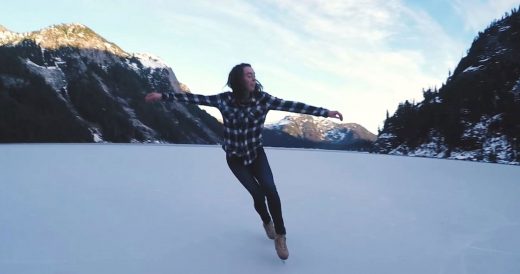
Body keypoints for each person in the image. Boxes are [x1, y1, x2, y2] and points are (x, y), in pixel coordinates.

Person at [145, 63, 343, 260]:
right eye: (249, 75)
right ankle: (267, 222)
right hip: (235, 158)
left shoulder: (263, 100)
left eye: (254, 75)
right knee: (257, 194)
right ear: (238, 79)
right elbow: (195, 98)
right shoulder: (224, 100)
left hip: (256, 153)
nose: (253, 78)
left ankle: (280, 235)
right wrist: (164, 96)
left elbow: (293, 105)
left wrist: (325, 112)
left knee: (270, 189)